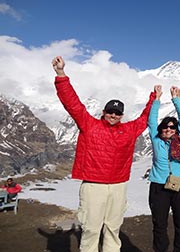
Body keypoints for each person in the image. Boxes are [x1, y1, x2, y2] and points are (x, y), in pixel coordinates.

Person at [52, 56, 156, 252]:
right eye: (110, 111)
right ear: (104, 111)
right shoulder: (89, 125)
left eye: (117, 113)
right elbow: (72, 104)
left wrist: (154, 98)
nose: (113, 115)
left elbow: (145, 118)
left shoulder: (129, 129)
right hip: (93, 185)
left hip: (118, 185)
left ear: (122, 115)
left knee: (113, 228)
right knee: (91, 229)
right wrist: (60, 74)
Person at [147, 85, 180, 252]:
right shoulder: (156, 140)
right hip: (159, 186)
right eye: (165, 127)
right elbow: (151, 121)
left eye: (172, 127)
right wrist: (157, 99)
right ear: (160, 129)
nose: (168, 129)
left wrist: (176, 99)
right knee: (159, 225)